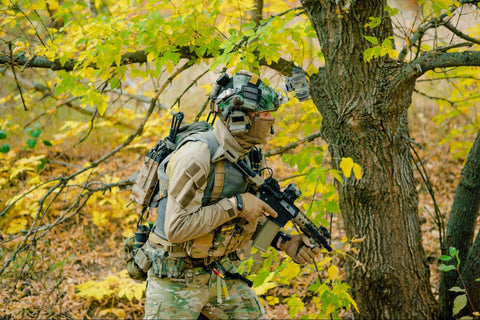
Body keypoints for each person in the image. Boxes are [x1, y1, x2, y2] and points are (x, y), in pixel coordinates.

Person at [142, 70, 322, 319]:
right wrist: (237, 204)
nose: (271, 120)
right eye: (264, 114)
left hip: (219, 271)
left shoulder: (250, 154)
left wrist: (283, 242)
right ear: (239, 118)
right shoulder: (196, 156)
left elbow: (251, 214)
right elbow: (176, 228)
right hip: (175, 277)